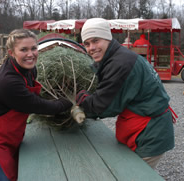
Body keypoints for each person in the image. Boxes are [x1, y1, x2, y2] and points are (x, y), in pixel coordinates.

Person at [0, 29, 73, 181]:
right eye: (23, 49)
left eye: (33, 48)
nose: (30, 54)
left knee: (19, 175)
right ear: (11, 52)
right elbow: (41, 107)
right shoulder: (8, 81)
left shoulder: (29, 69)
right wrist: (70, 101)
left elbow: (33, 99)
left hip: (10, 135)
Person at [76, 18, 177, 169]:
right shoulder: (116, 56)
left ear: (107, 38)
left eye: (96, 40)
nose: (91, 47)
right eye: (87, 43)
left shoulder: (120, 63)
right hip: (144, 124)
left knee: (134, 173)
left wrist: (81, 99)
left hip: (149, 132)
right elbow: (99, 71)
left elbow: (102, 107)